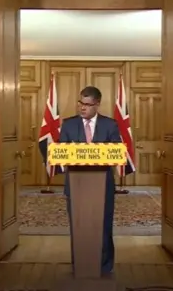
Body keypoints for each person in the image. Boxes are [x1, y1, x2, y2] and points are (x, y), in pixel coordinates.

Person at [59, 86, 121, 276]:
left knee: (103, 226)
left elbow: (116, 153)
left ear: (97, 104)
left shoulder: (110, 125)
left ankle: (104, 266)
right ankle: (80, 265)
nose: (82, 108)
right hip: (76, 186)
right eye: (80, 103)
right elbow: (62, 153)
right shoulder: (68, 125)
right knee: (78, 227)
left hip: (102, 187)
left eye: (87, 104)